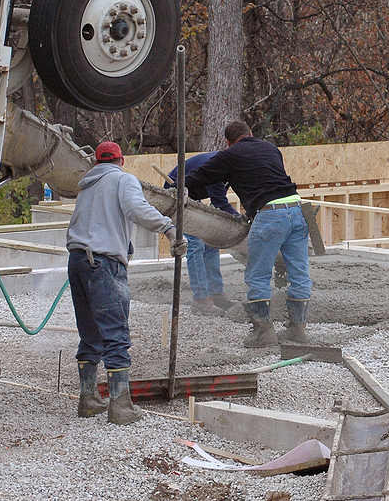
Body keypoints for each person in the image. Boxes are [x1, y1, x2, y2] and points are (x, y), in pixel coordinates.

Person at [66, 141, 187, 425]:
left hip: (77, 261)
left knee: (90, 330)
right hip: (102, 262)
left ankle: (88, 398)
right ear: (122, 161)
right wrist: (170, 229)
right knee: (115, 330)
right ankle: (120, 406)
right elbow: (137, 208)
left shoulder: (86, 186)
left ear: (97, 162)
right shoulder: (123, 179)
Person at [185, 121, 312, 348]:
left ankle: (263, 332)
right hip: (297, 210)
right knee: (300, 273)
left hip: (270, 214)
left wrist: (177, 186)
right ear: (251, 134)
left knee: (258, 276)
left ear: (228, 141)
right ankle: (297, 330)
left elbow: (200, 177)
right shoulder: (271, 148)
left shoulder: (229, 155)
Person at [165, 152, 241, 317]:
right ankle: (200, 300)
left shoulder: (231, 168)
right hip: (176, 192)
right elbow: (220, 204)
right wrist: (242, 220)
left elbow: (219, 201)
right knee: (195, 244)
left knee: (211, 242)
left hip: (193, 196)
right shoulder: (217, 168)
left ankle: (216, 294)